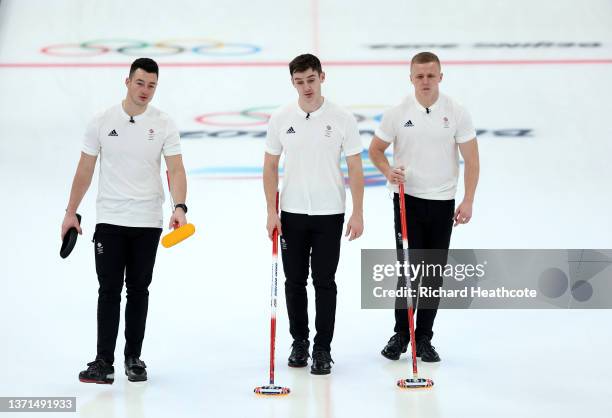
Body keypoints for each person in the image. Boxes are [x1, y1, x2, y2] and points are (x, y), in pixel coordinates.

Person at [61, 58, 188, 384]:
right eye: (140, 83)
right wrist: (71, 212)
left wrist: (180, 206)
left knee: (139, 290)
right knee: (108, 291)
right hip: (111, 220)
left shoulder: (163, 123)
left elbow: (175, 168)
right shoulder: (102, 121)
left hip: (147, 220)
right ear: (127, 81)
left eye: (152, 85)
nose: (145, 90)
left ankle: (134, 358)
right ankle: (103, 362)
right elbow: (85, 168)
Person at [369, 52, 480, 362]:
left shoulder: (456, 112)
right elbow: (376, 151)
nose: (425, 81)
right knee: (408, 271)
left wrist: (468, 199)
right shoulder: (397, 113)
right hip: (407, 201)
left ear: (441, 76)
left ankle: (424, 337)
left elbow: (472, 160)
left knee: (432, 273)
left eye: (431, 75)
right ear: (411, 78)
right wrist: (387, 170)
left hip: (443, 202)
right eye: (420, 76)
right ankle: (401, 335)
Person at [263, 54, 364, 375]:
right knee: (294, 281)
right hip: (291, 213)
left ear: (322, 77)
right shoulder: (281, 118)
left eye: (311, 79)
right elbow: (269, 165)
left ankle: (322, 348)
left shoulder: (343, 118)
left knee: (324, 282)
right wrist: (270, 210)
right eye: (299, 81)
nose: (306, 87)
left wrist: (358, 211)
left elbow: (356, 167)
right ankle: (300, 342)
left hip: (329, 213)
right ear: (292, 82)